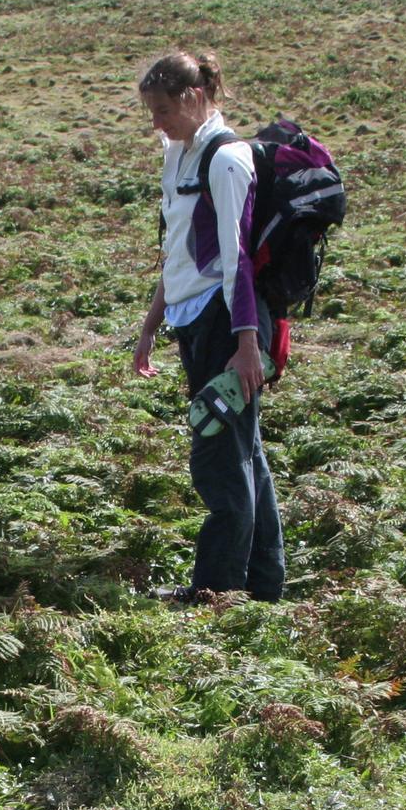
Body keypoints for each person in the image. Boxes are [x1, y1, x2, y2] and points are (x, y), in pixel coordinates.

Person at [133, 50, 284, 604]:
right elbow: (177, 252)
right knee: (244, 455)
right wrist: (152, 324)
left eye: (163, 110)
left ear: (195, 98)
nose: (156, 123)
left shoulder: (226, 161)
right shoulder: (177, 154)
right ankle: (264, 588)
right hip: (193, 320)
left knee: (220, 460)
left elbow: (236, 258)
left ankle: (217, 591)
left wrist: (247, 348)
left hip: (229, 324)